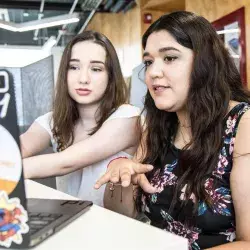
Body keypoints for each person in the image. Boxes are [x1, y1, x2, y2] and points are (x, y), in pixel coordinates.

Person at [95, 11, 250, 249]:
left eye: (169, 58)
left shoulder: (242, 124)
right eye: (148, 62)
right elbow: (122, 214)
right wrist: (121, 176)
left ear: (205, 63)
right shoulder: (159, 125)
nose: (153, 73)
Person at [20, 30, 141, 206]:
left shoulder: (127, 117)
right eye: (74, 67)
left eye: (96, 69)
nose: (83, 79)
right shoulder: (54, 120)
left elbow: (65, 163)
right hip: (69, 222)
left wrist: (11, 169)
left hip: (115, 226)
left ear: (110, 76)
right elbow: (20, 146)